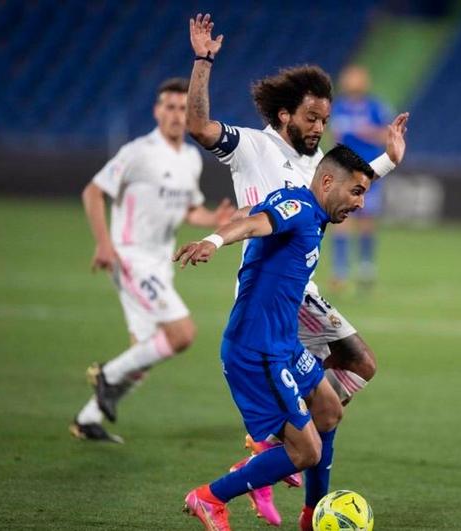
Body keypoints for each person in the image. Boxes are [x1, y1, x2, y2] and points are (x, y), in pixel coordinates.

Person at [186, 13, 408, 527]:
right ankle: (274, 447)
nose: (318, 128)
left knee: (340, 393)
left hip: (296, 289)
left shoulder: (316, 164)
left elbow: (343, 184)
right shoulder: (253, 147)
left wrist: (389, 161)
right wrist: (202, 62)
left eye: (324, 120)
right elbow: (199, 127)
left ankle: (286, 465)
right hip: (273, 285)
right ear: (285, 115)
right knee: (356, 366)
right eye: (311, 118)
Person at [176, 145, 375, 531]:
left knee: (330, 410)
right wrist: (214, 242)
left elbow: (249, 213)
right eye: (356, 192)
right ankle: (209, 497)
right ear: (328, 181)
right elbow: (255, 223)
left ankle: (310, 515)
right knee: (306, 451)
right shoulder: (300, 210)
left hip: (284, 344)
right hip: (257, 351)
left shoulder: (313, 211)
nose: (362, 203)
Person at [69, 78, 235, 443]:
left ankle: (87, 419)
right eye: (170, 107)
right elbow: (93, 192)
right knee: (181, 334)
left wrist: (213, 219)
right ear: (157, 111)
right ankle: (106, 375)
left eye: (182, 108)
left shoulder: (190, 158)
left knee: (143, 355)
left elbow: (190, 209)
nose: (177, 115)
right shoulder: (138, 152)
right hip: (130, 257)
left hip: (160, 263)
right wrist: (103, 245)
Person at [329, 64, 392, 290]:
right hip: (345, 171)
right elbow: (336, 137)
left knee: (366, 221)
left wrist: (368, 131)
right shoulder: (339, 108)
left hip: (370, 172)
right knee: (342, 220)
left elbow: (388, 136)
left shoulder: (376, 108)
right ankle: (340, 272)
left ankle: (366, 268)